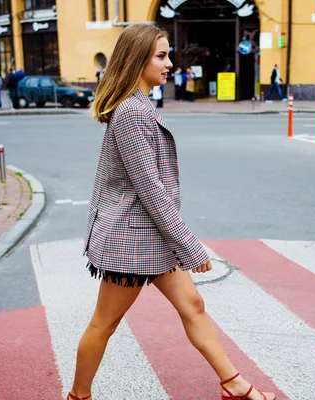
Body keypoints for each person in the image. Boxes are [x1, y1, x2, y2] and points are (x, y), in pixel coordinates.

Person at [68, 24, 275, 400]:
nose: (170, 63)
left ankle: (235, 386)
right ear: (137, 60)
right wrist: (190, 246)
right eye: (161, 56)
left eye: (168, 55)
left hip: (153, 238)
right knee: (105, 323)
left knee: (193, 305)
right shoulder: (131, 111)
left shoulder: (141, 103)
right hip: (130, 241)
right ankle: (78, 396)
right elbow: (151, 190)